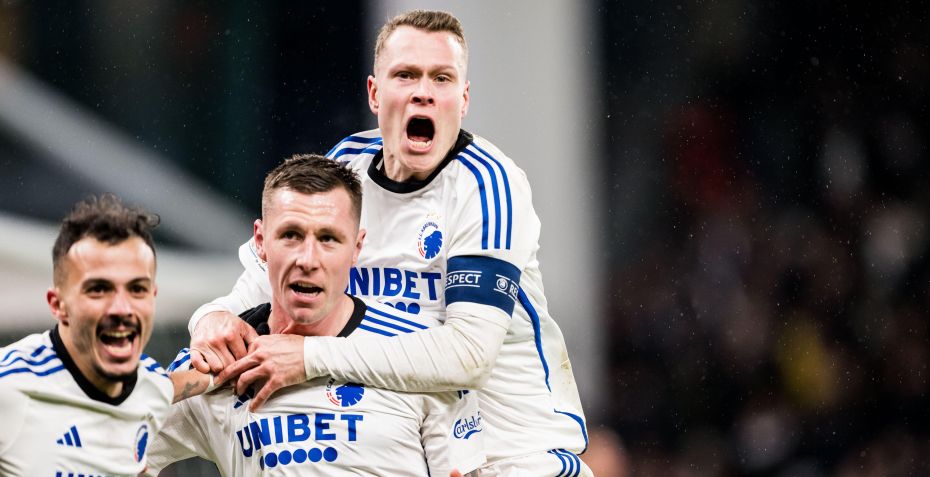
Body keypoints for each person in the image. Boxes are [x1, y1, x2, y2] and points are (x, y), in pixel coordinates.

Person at [190, 10, 590, 476]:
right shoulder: (346, 168)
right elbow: (261, 289)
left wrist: (310, 357)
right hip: (413, 451)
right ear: (374, 93)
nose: (424, 91)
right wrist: (209, 318)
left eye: (441, 78)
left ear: (462, 99)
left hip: (517, 457)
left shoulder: (488, 186)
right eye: (406, 75)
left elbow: (468, 355)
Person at [144, 155, 483, 476]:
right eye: (291, 235)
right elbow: (121, 450)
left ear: (356, 248)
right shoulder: (222, 361)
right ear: (260, 241)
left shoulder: (421, 353)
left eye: (328, 238)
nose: (308, 259)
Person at [0, 194, 173, 476]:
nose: (122, 308)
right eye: (99, 289)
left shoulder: (155, 387)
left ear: (153, 296)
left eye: (137, 289)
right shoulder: (9, 389)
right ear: (58, 305)